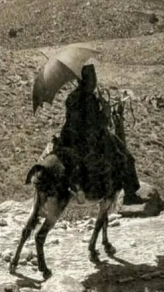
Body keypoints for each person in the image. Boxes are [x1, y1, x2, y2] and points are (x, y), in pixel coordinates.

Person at [58, 64, 143, 205]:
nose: (94, 82)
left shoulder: (71, 97)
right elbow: (97, 125)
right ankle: (130, 194)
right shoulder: (89, 99)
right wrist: (105, 112)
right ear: (87, 80)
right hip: (89, 140)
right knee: (125, 157)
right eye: (93, 79)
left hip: (69, 138)